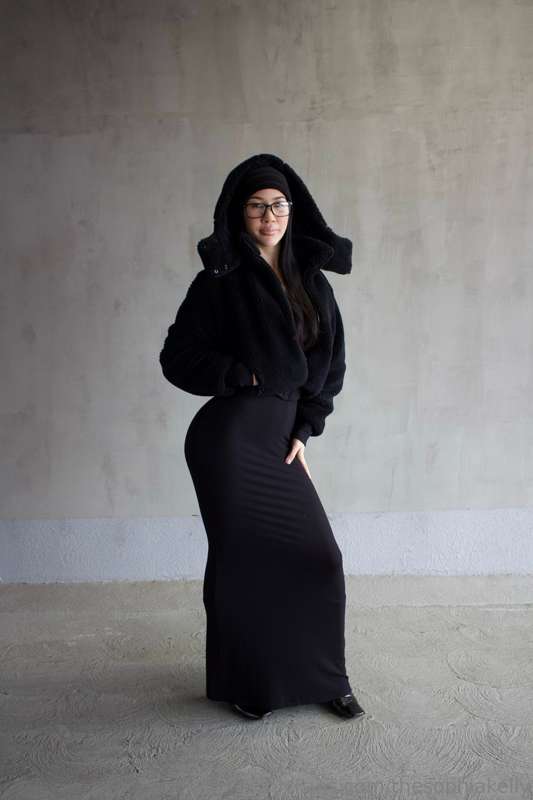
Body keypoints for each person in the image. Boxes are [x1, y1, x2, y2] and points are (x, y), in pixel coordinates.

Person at [159, 153, 365, 721]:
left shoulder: (313, 284)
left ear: (292, 212)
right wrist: (241, 374)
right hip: (227, 440)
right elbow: (177, 357)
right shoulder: (218, 282)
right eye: (256, 206)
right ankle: (251, 684)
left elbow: (331, 369)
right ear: (239, 213)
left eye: (278, 205)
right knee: (243, 563)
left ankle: (326, 678)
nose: (269, 216)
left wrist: (305, 428)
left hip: (280, 438)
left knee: (320, 557)